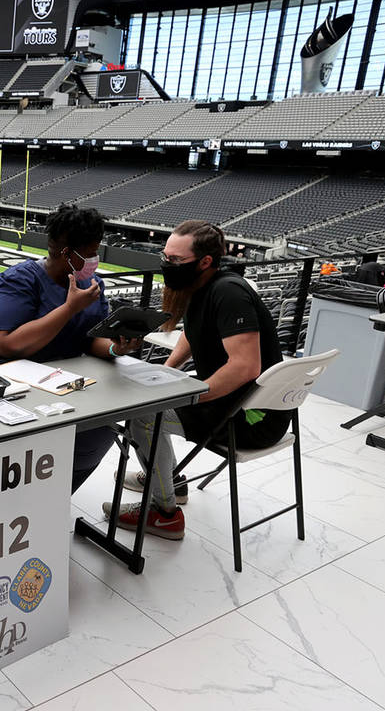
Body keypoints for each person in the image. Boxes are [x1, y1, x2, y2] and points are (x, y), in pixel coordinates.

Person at [107, 220, 291, 541]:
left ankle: (164, 511)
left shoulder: (228, 292)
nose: (167, 265)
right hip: (241, 403)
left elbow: (246, 366)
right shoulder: (202, 287)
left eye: (175, 261)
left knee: (142, 414)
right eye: (165, 257)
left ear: (206, 261)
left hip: (251, 417)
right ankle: (169, 481)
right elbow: (192, 335)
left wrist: (192, 395)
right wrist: (166, 370)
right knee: (152, 399)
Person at [0, 204, 138, 493]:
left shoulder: (91, 285)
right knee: (30, 424)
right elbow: (8, 344)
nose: (94, 260)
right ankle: (8, 491)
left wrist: (116, 348)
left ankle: (50, 496)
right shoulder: (20, 279)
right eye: (89, 253)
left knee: (101, 428)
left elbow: (90, 339)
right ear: (66, 253)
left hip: (50, 373)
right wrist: (69, 308)